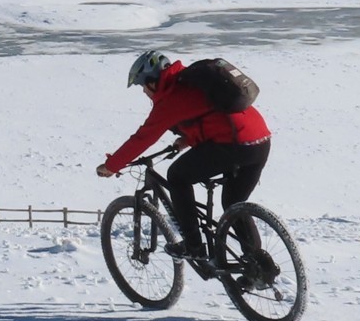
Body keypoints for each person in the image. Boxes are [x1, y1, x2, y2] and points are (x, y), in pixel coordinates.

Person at [97, 48, 272, 278]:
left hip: (233, 145)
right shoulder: (192, 81)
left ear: (151, 82)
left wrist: (112, 166)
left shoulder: (171, 98)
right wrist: (188, 140)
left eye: (142, 86)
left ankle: (194, 246)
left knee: (178, 176)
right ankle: (258, 267)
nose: (144, 92)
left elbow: (143, 137)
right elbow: (211, 114)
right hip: (260, 142)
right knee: (233, 203)